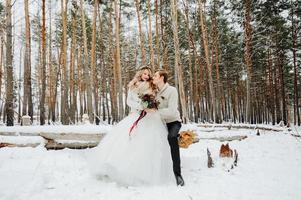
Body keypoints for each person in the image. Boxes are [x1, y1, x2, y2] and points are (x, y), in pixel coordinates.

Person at [89, 66, 174, 186]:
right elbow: (129, 101)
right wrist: (141, 106)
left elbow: (156, 99)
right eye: (144, 73)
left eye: (148, 74)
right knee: (127, 141)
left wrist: (150, 106)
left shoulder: (152, 85)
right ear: (140, 74)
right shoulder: (133, 86)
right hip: (136, 114)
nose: (147, 76)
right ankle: (116, 168)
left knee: (149, 144)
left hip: (150, 118)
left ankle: (146, 173)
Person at [152, 70, 185, 186]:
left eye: (155, 75)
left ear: (161, 78)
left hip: (173, 122)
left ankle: (178, 174)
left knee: (171, 138)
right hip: (159, 123)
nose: (153, 77)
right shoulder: (154, 92)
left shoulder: (172, 90)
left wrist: (155, 112)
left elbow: (171, 111)